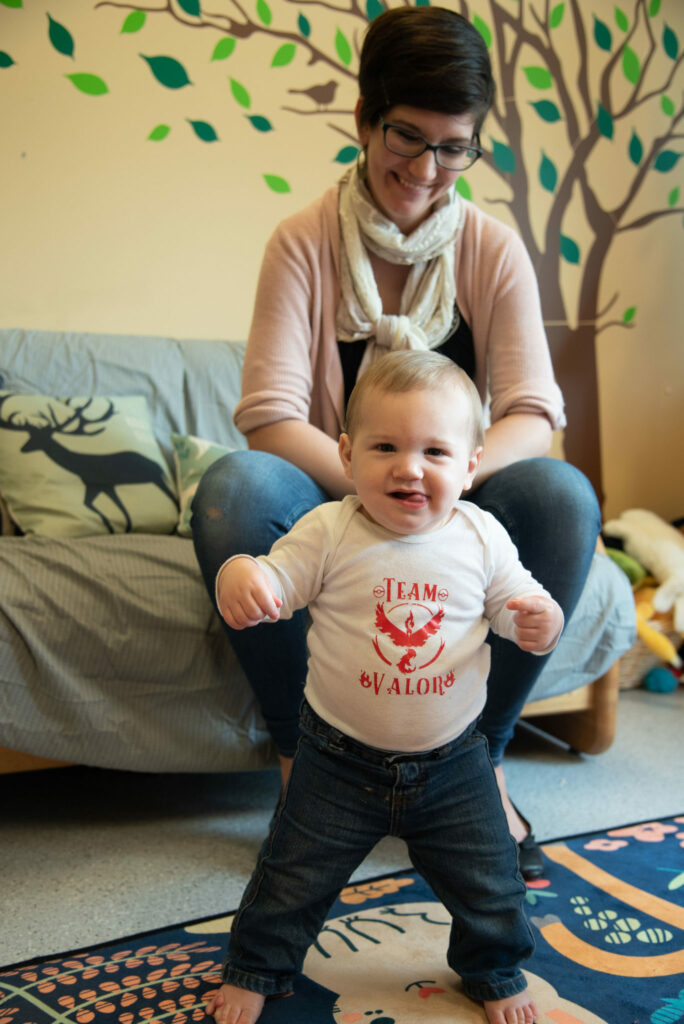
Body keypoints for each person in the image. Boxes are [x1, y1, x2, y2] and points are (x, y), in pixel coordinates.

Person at [192, 5, 601, 879]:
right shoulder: (303, 241)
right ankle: (306, 762)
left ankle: (477, 762)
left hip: (451, 491)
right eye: (407, 138)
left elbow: (533, 410)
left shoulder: (491, 249)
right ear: (364, 121)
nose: (427, 169)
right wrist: (366, 481)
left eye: (455, 147)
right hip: (327, 488)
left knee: (564, 496)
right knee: (236, 490)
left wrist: (436, 480)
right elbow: (268, 415)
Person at [207, 350, 563, 1024]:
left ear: (469, 464)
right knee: (290, 879)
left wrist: (539, 620)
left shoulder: (482, 535)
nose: (409, 467)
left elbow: (520, 599)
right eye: (386, 446)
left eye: (435, 450)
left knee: (492, 884)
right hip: (335, 759)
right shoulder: (329, 530)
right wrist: (241, 576)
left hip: (457, 761)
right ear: (347, 455)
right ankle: (257, 966)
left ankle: (494, 969)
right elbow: (274, 583)